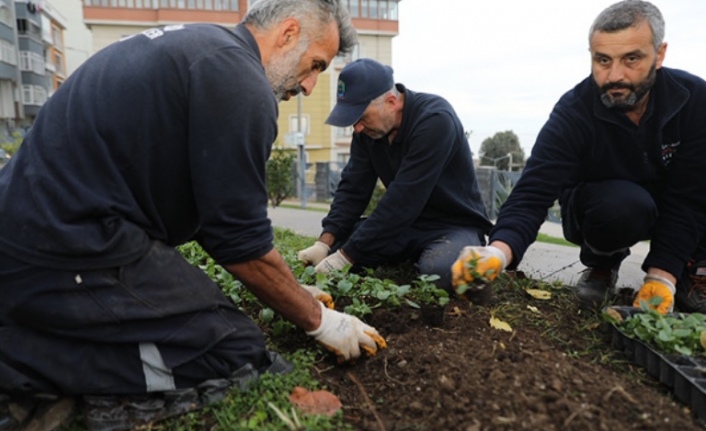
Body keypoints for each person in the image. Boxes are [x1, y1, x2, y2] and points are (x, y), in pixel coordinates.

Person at [0, 1, 387, 430]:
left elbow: (214, 215)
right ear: (288, 33)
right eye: (316, 65)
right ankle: (25, 364)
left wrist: (291, 290)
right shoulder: (241, 84)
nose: (311, 85)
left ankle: (35, 321)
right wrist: (320, 321)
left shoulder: (204, 49)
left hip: (42, 228)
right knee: (231, 349)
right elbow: (240, 244)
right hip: (67, 243)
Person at [451, 0, 706, 315]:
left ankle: (688, 270)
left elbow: (689, 195)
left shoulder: (693, 99)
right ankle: (602, 265)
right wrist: (498, 253)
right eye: (602, 60)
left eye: (631, 59)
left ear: (659, 55)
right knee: (622, 204)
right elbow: (533, 192)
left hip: (673, 203)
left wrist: (661, 276)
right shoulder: (574, 111)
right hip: (607, 208)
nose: (615, 76)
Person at [297, 58, 493, 294]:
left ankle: (445, 256)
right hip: (407, 225)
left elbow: (403, 201)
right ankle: (411, 255)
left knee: (440, 271)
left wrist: (344, 258)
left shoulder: (435, 120)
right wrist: (325, 242)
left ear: (391, 102)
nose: (356, 128)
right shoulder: (367, 133)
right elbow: (352, 189)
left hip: (451, 225)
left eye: (361, 117)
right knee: (339, 243)